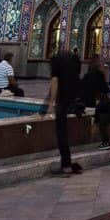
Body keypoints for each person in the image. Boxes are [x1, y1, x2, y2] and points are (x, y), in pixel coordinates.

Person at [46, 46, 82, 177]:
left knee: (61, 132)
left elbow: (55, 81)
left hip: (64, 99)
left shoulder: (55, 60)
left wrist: (51, 103)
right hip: (76, 99)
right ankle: (67, 164)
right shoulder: (74, 59)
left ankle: (66, 166)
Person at [81, 56, 110, 148]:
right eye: (103, 64)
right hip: (98, 104)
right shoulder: (99, 75)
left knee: (106, 118)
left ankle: (108, 142)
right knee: (109, 118)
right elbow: (105, 90)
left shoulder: (87, 75)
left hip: (91, 103)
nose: (105, 67)